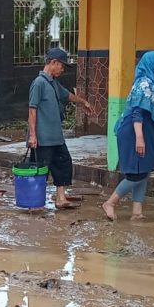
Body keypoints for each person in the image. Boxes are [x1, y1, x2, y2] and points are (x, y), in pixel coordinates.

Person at [101, 51, 154, 221]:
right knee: (136, 174)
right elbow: (137, 113)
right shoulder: (144, 84)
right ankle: (110, 203)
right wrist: (140, 138)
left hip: (145, 132)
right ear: (152, 64)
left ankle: (137, 212)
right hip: (134, 133)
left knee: (144, 171)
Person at [28, 47, 93, 209]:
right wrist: (33, 135)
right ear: (53, 63)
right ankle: (34, 202)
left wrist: (83, 102)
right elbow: (32, 109)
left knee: (64, 164)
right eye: (62, 66)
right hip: (43, 138)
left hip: (56, 137)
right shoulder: (39, 83)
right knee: (40, 170)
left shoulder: (53, 83)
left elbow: (67, 95)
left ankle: (61, 198)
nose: (63, 70)